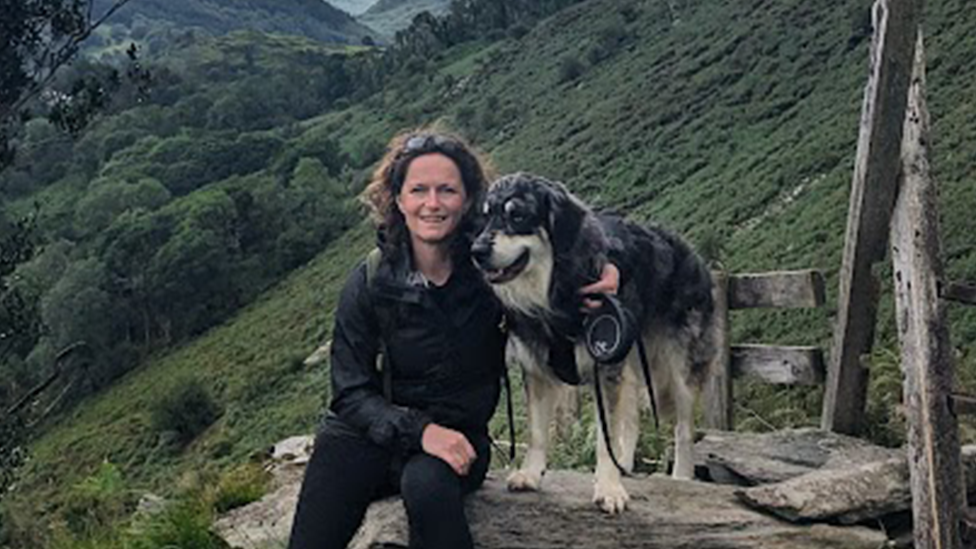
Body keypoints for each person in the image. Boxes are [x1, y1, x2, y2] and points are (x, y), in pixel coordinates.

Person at [287, 129, 618, 549]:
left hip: (459, 439)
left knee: (428, 488)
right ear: (398, 199)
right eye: (418, 190)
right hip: (366, 436)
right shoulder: (370, 280)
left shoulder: (495, 274)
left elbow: (571, 246)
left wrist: (604, 272)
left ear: (467, 200)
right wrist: (420, 430)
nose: (432, 203)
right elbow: (349, 393)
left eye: (447, 190)